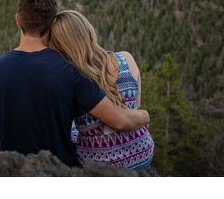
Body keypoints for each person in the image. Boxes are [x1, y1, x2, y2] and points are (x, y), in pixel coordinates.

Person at [0, 0, 150, 168]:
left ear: (18, 20)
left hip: (14, 168)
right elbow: (117, 119)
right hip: (60, 170)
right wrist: (144, 116)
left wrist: (7, 147)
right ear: (53, 24)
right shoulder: (72, 69)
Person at [48, 10, 155, 171]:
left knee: (72, 130)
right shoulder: (126, 59)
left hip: (101, 164)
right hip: (142, 153)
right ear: (89, 31)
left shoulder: (73, 78)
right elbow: (135, 108)